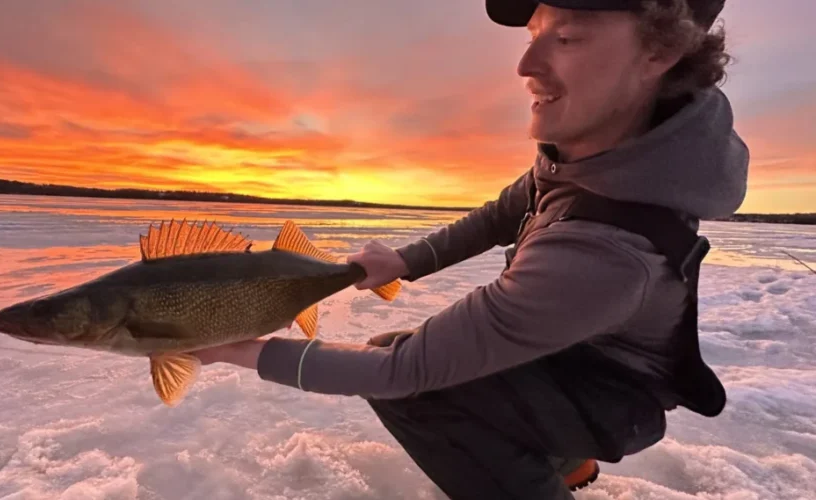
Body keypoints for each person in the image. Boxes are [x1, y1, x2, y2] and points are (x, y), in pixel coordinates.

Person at [192, 0, 750, 498]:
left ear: (662, 50)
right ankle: (566, 461)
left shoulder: (602, 253)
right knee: (405, 352)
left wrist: (238, 349)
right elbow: (504, 211)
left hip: (610, 396)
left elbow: (402, 373)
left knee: (419, 389)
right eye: (533, 33)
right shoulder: (595, 152)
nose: (526, 65)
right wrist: (407, 262)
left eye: (569, 36)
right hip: (566, 357)